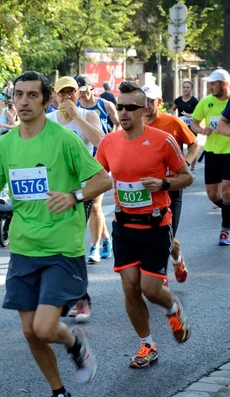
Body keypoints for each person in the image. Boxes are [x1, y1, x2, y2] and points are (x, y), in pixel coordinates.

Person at [0, 71, 111, 397]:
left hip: (61, 249)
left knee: (44, 327)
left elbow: (103, 180)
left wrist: (73, 196)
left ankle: (73, 340)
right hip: (24, 249)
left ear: (47, 100)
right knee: (29, 331)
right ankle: (59, 391)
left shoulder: (64, 139)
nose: (23, 101)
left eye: (32, 95)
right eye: (18, 95)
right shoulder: (4, 146)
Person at [97, 81, 192, 369]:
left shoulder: (163, 140)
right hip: (124, 225)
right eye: (120, 107)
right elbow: (98, 177)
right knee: (130, 287)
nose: (123, 112)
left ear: (143, 110)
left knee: (151, 289)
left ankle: (174, 308)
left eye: (130, 107)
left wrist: (163, 183)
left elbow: (186, 177)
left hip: (155, 224)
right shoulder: (109, 142)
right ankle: (147, 345)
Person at [46, 76, 105, 324]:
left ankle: (82, 300)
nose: (67, 97)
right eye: (62, 94)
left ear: (78, 95)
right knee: (57, 246)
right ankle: (68, 297)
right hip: (56, 191)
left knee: (71, 244)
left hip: (83, 189)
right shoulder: (48, 121)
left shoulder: (87, 115)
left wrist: (77, 116)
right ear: (55, 97)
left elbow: (101, 142)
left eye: (71, 93)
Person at [142, 83, 201, 284]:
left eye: (151, 101)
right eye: (144, 100)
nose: (147, 105)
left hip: (172, 185)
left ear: (159, 102)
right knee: (153, 235)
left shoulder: (172, 122)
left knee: (165, 235)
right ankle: (173, 259)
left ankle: (160, 273)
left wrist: (187, 163)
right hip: (147, 188)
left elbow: (195, 143)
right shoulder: (135, 123)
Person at [76, 75, 119, 264]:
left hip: (100, 160)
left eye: (83, 88)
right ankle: (107, 239)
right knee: (87, 205)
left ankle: (94, 248)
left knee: (94, 205)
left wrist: (111, 140)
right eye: (78, 89)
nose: (81, 92)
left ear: (91, 88)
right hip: (79, 163)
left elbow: (117, 123)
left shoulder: (104, 105)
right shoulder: (74, 108)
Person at [190, 69, 230, 245]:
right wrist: (200, 130)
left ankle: (225, 229)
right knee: (213, 195)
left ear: (224, 84)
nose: (210, 87)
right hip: (212, 153)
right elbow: (193, 123)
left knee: (227, 191)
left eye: (213, 83)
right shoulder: (206, 102)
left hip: (229, 153)